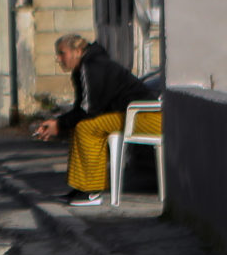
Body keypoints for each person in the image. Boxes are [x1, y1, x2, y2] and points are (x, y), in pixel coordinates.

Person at [30, 33, 147, 203]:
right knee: (81, 126)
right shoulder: (83, 68)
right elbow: (82, 109)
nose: (58, 58)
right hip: (128, 114)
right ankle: (81, 187)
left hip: (143, 115)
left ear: (77, 51)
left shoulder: (91, 66)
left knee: (87, 128)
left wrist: (60, 124)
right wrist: (58, 124)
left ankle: (92, 191)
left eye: (62, 53)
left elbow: (88, 110)